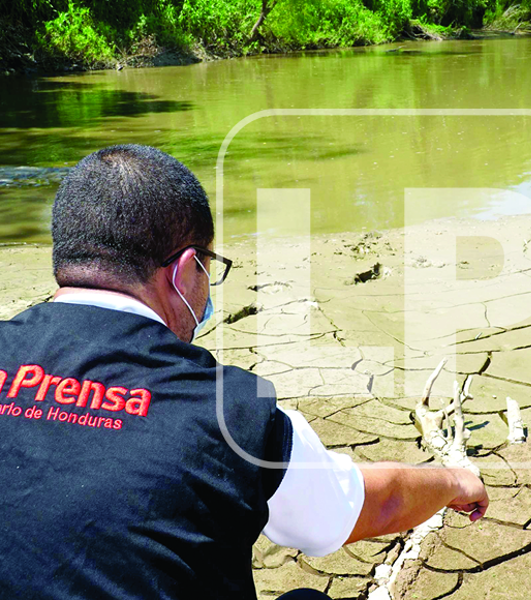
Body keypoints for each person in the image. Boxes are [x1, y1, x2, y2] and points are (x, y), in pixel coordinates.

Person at [0, 145, 488, 600]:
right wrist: (453, 481)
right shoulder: (230, 413)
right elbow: (359, 508)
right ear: (184, 267)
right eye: (209, 267)